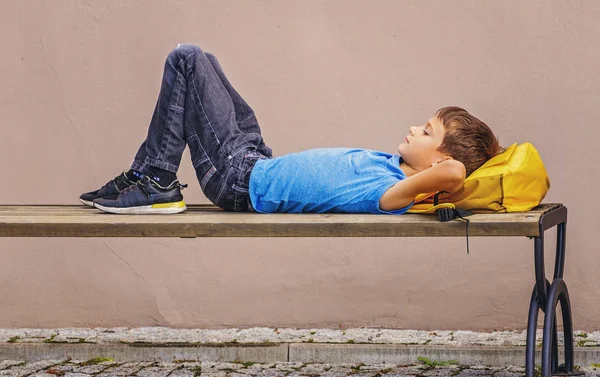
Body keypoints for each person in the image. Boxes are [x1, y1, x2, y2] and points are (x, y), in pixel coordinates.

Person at [81, 44, 502, 215]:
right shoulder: (391, 166)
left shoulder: (391, 193)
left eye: (426, 132)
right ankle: (151, 175)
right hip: (254, 158)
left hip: (237, 181)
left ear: (441, 158)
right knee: (203, 60)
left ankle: (154, 177)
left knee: (187, 59)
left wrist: (472, 169)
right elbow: (449, 169)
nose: (414, 128)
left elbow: (455, 175)